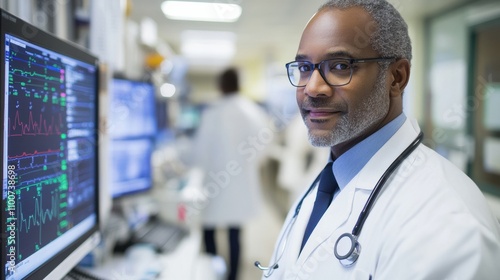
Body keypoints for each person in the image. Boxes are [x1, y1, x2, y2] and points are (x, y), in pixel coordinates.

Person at [257, 0, 500, 279]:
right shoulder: (329, 181)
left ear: (397, 77)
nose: (312, 88)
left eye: (339, 65)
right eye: (303, 67)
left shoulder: (448, 223)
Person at [193, 67, 268, 280]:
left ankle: (211, 271)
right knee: (235, 233)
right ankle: (233, 276)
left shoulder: (212, 113)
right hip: (239, 184)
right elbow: (263, 147)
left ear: (221, 86)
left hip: (215, 182)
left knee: (209, 229)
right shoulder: (252, 111)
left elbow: (199, 152)